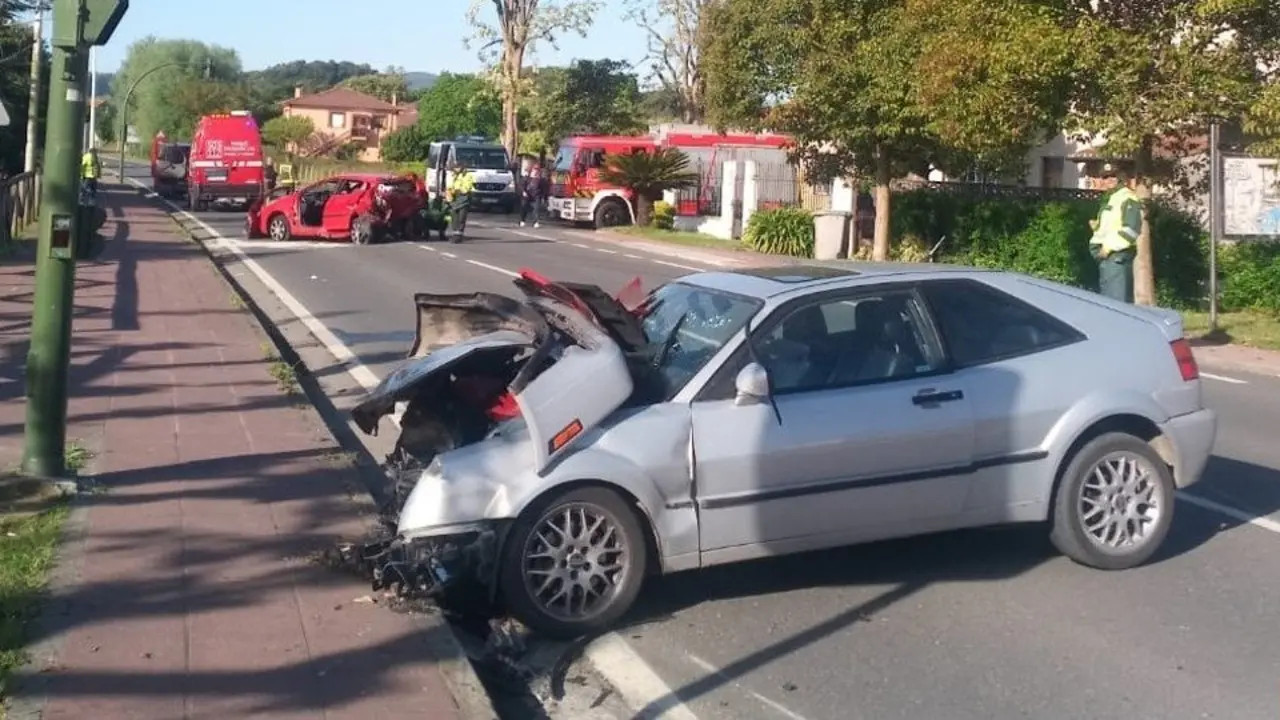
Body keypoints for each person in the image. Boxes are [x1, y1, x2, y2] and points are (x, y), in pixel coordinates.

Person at [1088, 163, 1142, 303]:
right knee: (1108, 304)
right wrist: (1097, 227)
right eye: (1105, 177)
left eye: (1113, 176)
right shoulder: (1112, 197)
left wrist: (1108, 248)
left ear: (1120, 177)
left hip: (1117, 256)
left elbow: (1131, 230)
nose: (1109, 179)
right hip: (1107, 258)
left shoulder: (1127, 197)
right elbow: (1113, 225)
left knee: (1117, 304)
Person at [446, 160, 476, 243]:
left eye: (457, 167)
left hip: (464, 198)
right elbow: (450, 185)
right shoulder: (453, 175)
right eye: (455, 168)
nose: (455, 169)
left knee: (461, 218)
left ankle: (459, 236)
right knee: (454, 218)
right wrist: (449, 192)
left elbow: (467, 187)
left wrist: (457, 190)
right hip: (454, 199)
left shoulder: (468, 175)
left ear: (462, 167)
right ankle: (455, 234)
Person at [519, 162, 547, 228]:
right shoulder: (526, 177)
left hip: (536, 195)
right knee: (524, 208)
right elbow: (521, 185)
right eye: (535, 169)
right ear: (532, 169)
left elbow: (543, 189)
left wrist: (543, 197)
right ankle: (522, 220)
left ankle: (536, 222)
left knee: (536, 209)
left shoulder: (541, 179)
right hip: (527, 195)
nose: (536, 170)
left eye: (537, 169)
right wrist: (523, 192)